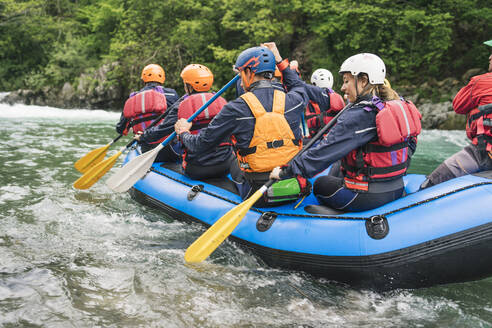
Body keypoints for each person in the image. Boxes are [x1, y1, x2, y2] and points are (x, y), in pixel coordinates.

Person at [270, 53, 422, 212]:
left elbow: (323, 153)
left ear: (363, 81)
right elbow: (410, 146)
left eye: (346, 81)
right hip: (396, 188)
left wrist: (285, 172)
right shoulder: (397, 105)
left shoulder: (360, 114)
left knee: (321, 183)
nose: (342, 88)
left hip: (366, 196)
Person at [174, 43, 309, 206]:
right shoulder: (294, 100)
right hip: (295, 187)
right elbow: (298, 86)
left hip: (259, 194)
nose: (239, 78)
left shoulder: (235, 109)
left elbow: (200, 145)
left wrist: (183, 132)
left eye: (240, 73)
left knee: (234, 159)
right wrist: (279, 59)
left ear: (248, 72)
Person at [420, 40, 492, 189]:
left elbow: (458, 106)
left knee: (431, 183)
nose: (490, 57)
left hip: (483, 153)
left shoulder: (481, 82)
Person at [116, 64, 181, 162]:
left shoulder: (133, 98)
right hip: (170, 149)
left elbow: (121, 129)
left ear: (143, 80)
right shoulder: (171, 94)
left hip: (146, 149)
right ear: (162, 78)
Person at [303, 68, 345, 138]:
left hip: (320, 138)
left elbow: (300, 85)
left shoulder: (317, 96)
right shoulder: (335, 95)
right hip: (331, 135)